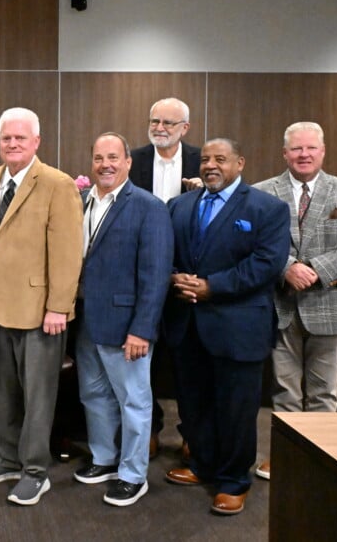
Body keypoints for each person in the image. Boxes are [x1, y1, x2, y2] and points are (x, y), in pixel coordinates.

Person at [162, 138, 289, 515]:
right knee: (194, 403)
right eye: (204, 159)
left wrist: (211, 286)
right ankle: (201, 464)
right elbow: (162, 252)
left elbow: (267, 263)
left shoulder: (267, 207)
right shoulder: (179, 205)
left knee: (236, 408)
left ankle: (234, 480)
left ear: (240, 163)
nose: (210, 165)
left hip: (238, 327)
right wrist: (175, 279)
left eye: (220, 159)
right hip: (187, 324)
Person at [0, 107, 83, 506]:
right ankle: (8, 458)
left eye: (21, 138)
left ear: (36, 142)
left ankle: (35, 471)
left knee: (37, 395)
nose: (13, 144)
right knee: (2, 391)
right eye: (6, 138)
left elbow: (69, 253)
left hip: (40, 312)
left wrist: (59, 307)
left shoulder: (57, 183)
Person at [252, 122, 337, 480]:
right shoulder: (261, 193)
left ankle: (320, 457)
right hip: (280, 303)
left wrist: (315, 269)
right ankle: (286, 456)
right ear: (284, 153)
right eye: (296, 149)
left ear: (323, 151)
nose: (303, 154)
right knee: (284, 389)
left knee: (325, 391)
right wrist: (287, 268)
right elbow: (253, 244)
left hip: (333, 301)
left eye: (310, 148)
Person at [75, 133, 173, 507]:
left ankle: (133, 474)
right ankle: (104, 459)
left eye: (113, 157)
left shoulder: (148, 207)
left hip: (127, 326)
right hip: (86, 319)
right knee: (94, 394)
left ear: (129, 162)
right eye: (99, 158)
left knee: (133, 400)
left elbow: (156, 273)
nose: (106, 165)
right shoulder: (81, 200)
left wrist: (142, 329)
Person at [128, 96, 202, 459]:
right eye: (154, 120)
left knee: (188, 362)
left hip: (189, 276)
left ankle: (192, 433)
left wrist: (205, 191)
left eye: (168, 123)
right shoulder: (134, 160)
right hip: (141, 274)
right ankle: (150, 431)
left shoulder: (205, 161)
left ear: (184, 129)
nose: (159, 128)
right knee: (146, 363)